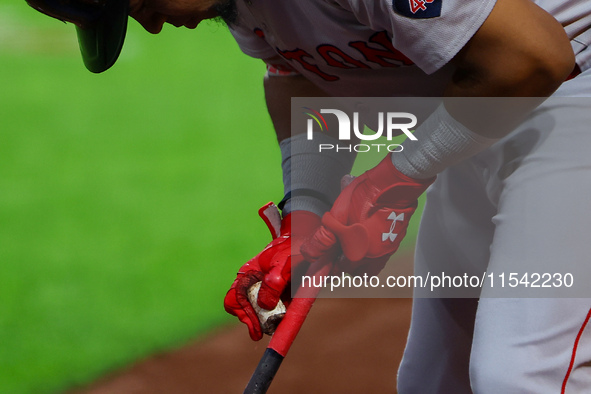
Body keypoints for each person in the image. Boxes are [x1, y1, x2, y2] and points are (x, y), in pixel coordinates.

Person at [26, 0, 591, 391]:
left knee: (524, 376)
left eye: (139, 3)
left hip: (568, 93)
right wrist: (306, 213)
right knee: (434, 382)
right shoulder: (241, 7)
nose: (148, 26)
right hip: (481, 110)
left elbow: (534, 58)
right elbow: (306, 74)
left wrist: (394, 178)